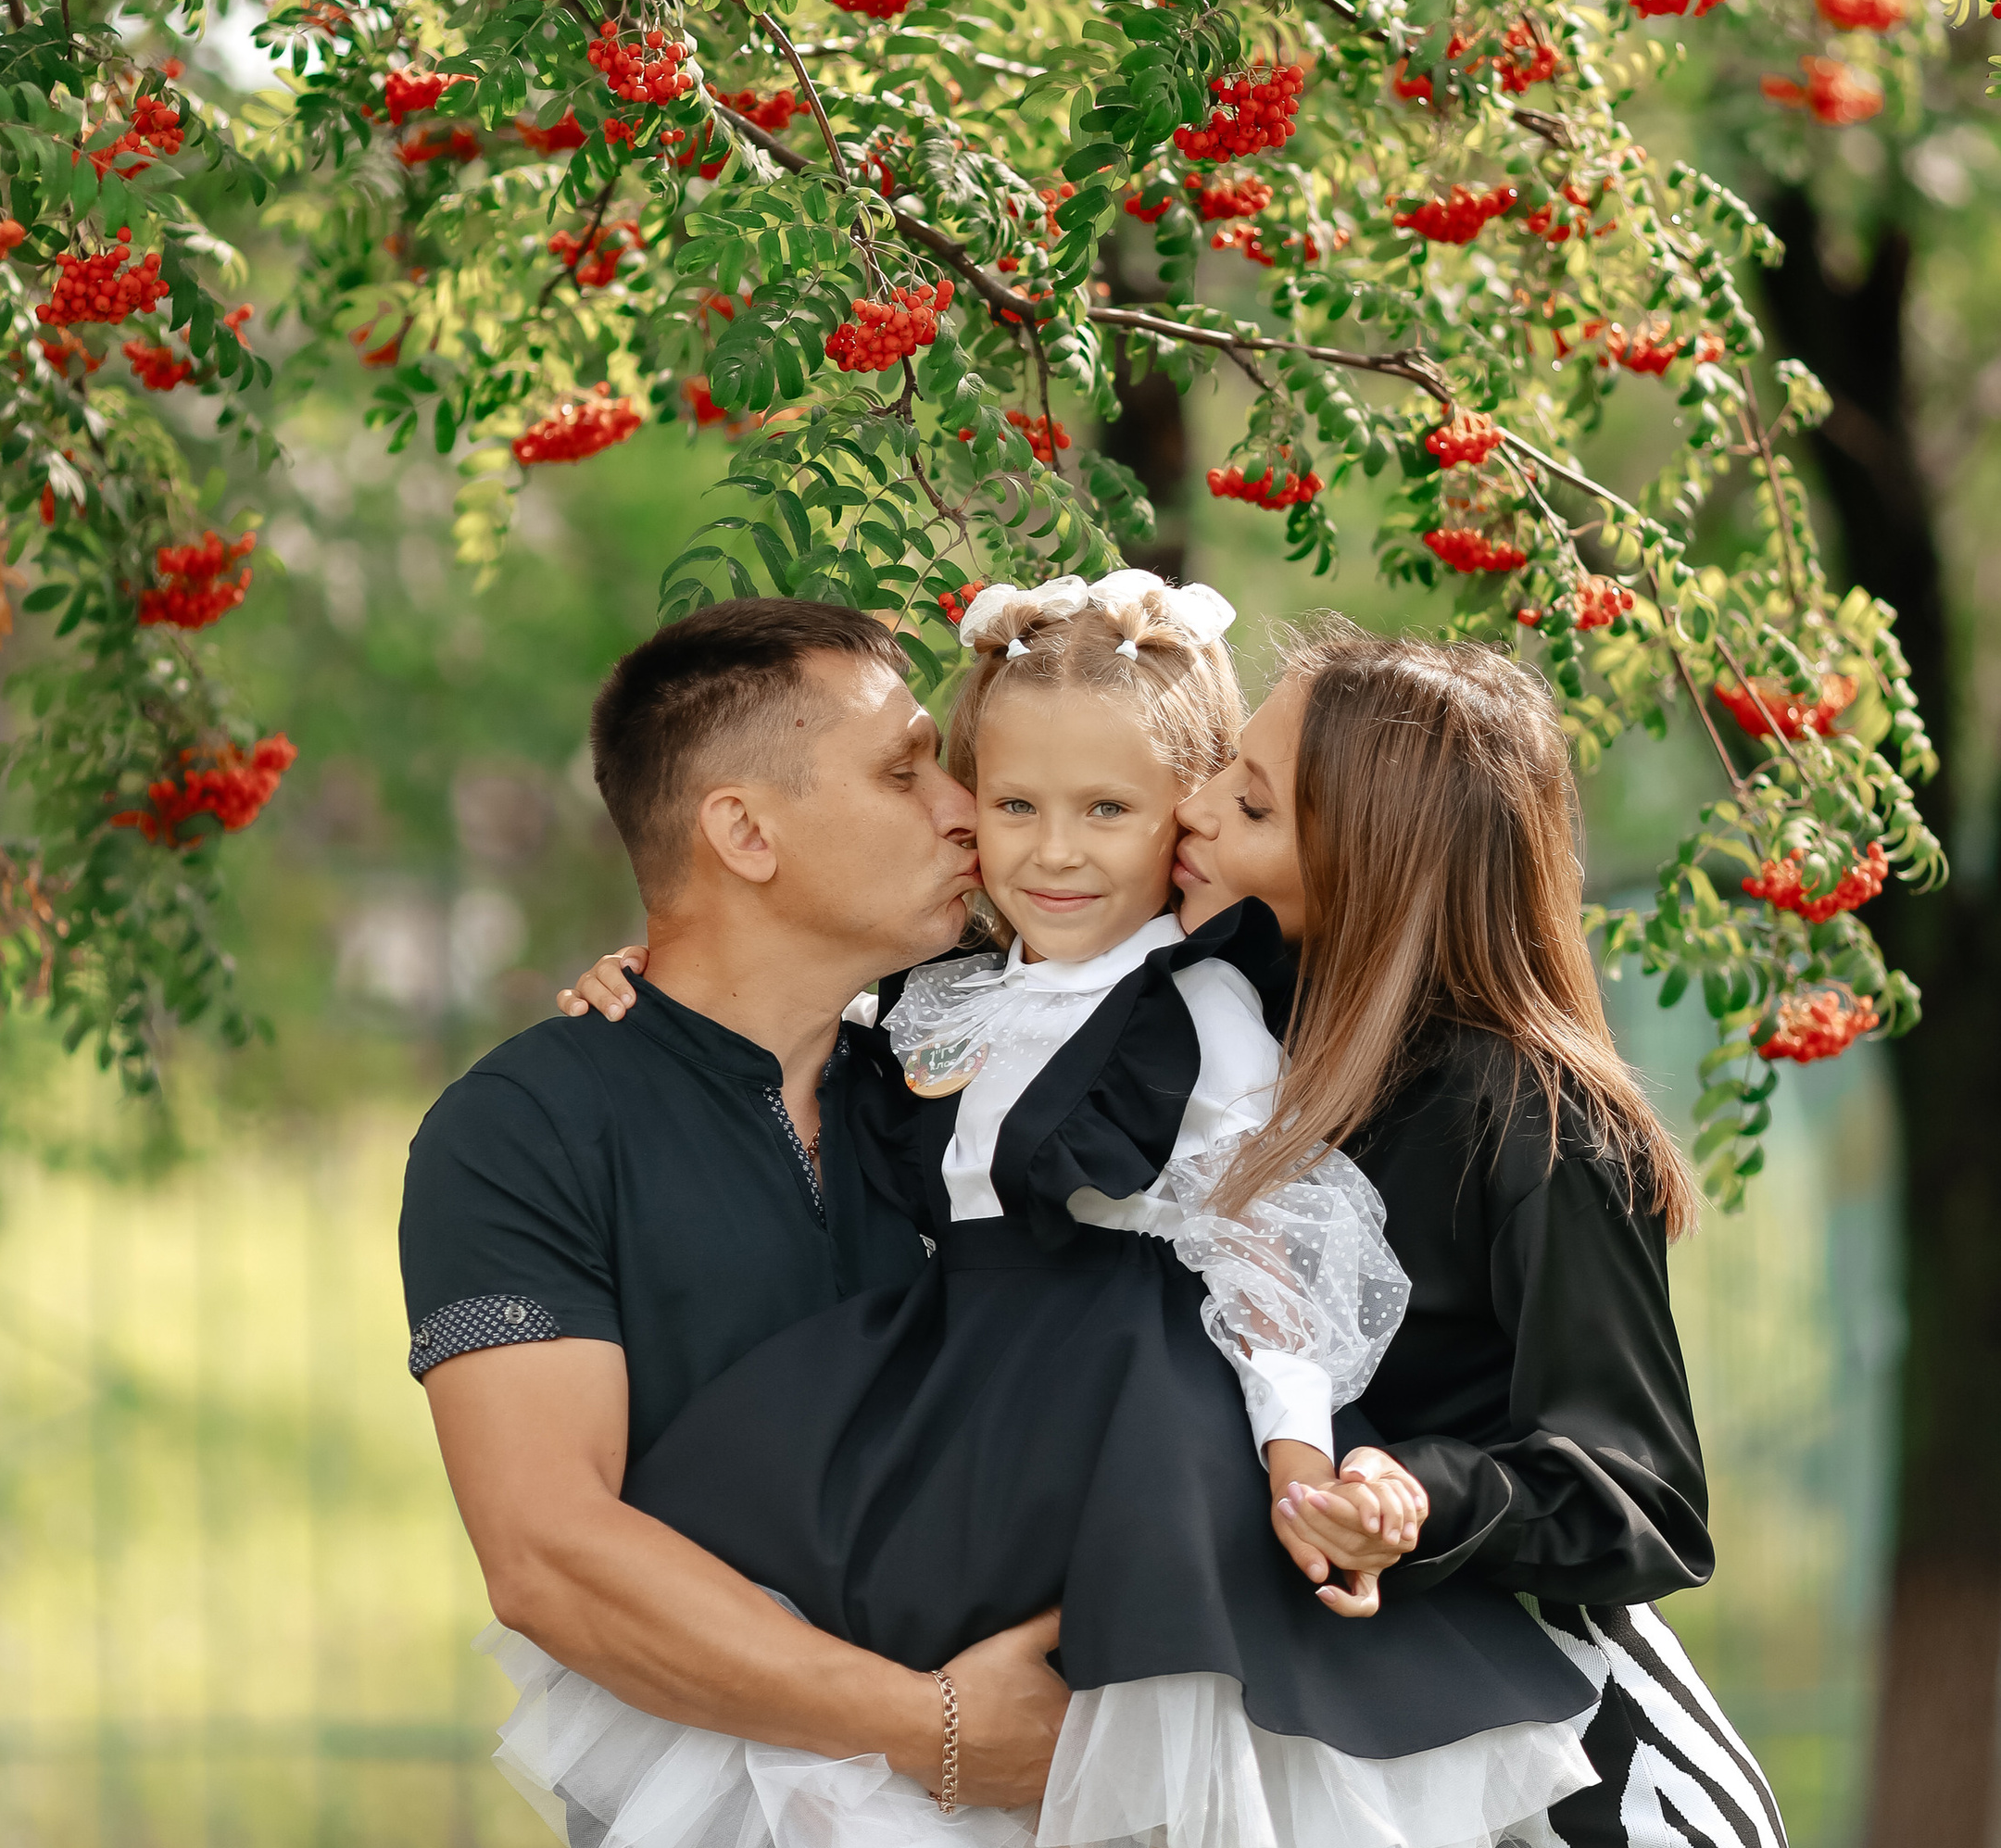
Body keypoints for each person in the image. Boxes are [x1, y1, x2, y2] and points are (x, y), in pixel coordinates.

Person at [535, 572, 1603, 1848]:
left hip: (1128, 1403)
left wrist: (1297, 1453)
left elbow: (1265, 1240)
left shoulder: (1200, 1017)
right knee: (821, 1649)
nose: (1054, 850)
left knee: (1139, 1729)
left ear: (1185, 813)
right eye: (1013, 805)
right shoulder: (943, 993)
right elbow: (780, 998)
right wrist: (651, 977)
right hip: (949, 1403)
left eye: (1108, 809)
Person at [397, 597, 1079, 1842]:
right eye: (903, 769)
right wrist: (930, 1726)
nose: (962, 809)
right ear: (745, 832)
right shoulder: (521, 1129)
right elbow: (548, 1551)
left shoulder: (974, 1077)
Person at [1169, 626, 1787, 1848]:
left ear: (1368, 862)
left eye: (1245, 802)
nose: (1186, 811)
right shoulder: (1209, 1028)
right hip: (1310, 1717)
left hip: (1552, 1767)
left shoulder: (1533, 1117)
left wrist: (1419, 1492)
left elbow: (1644, 1495)